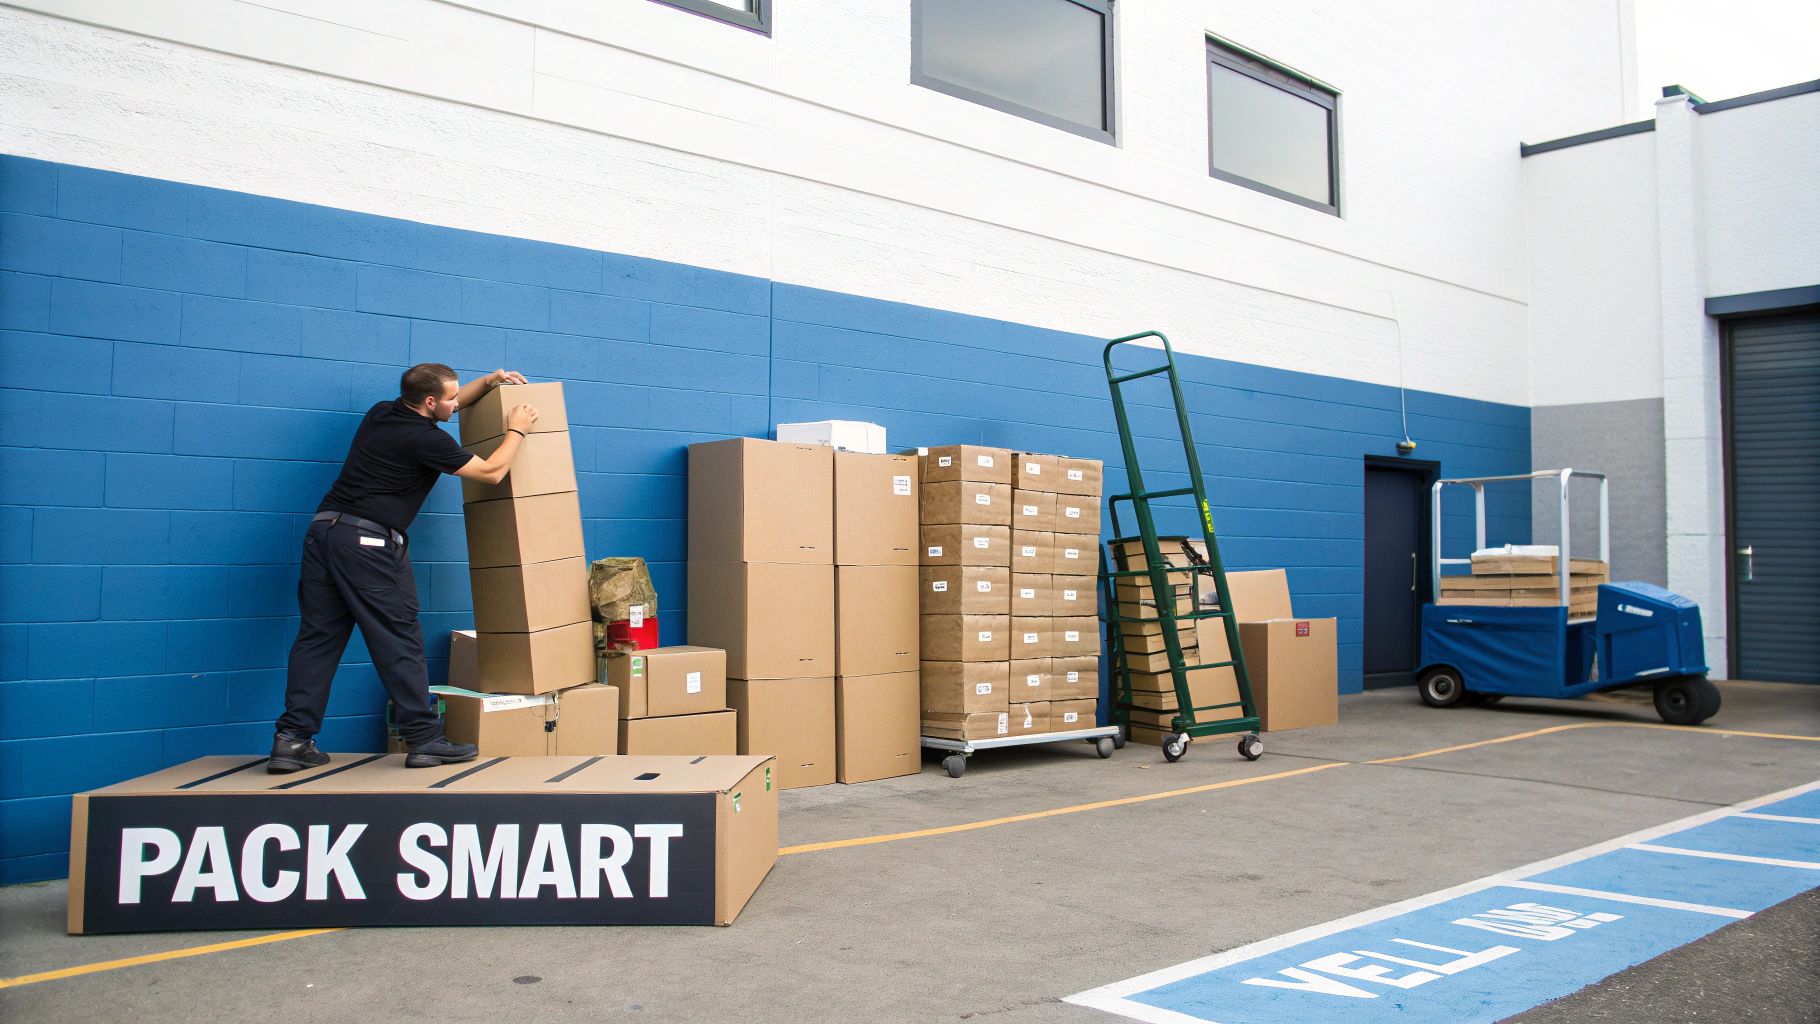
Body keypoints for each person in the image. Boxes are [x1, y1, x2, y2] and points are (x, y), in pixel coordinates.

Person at [270, 364, 539, 772]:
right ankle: (426, 739)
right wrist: (517, 429)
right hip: (367, 545)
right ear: (430, 402)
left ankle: (292, 741)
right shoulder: (426, 439)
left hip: (324, 533)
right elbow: (491, 472)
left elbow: (446, 403)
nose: (456, 403)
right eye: (450, 398)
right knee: (399, 638)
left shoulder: (382, 412)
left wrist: (487, 381)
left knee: (317, 639)